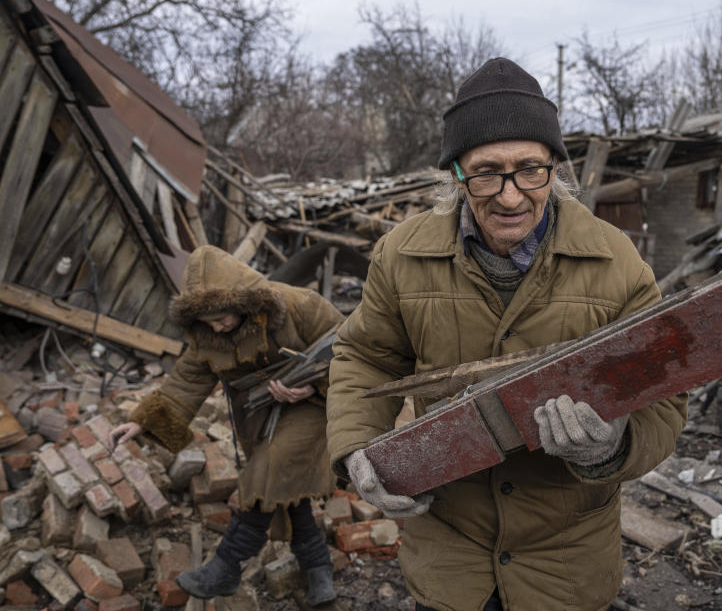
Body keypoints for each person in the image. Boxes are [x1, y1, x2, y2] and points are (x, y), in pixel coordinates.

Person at [326, 58, 688, 611]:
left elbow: (664, 396)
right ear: (456, 175)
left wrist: (611, 447)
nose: (511, 196)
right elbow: (365, 357)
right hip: (451, 551)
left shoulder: (617, 261)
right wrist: (356, 448)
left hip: (565, 558)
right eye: (487, 172)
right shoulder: (402, 255)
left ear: (554, 168)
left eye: (529, 170)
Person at [110, 245, 343, 605]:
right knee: (282, 489)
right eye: (207, 322)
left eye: (221, 317)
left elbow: (352, 349)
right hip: (259, 414)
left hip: (313, 406)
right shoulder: (208, 335)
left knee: (268, 470)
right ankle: (318, 568)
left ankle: (226, 565)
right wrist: (140, 423)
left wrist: (312, 385)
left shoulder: (301, 305)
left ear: (243, 301)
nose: (217, 327)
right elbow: (187, 380)